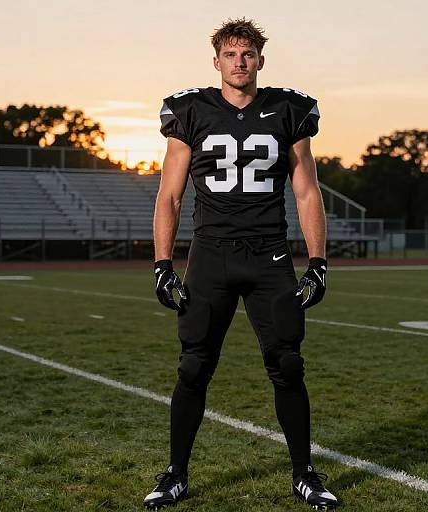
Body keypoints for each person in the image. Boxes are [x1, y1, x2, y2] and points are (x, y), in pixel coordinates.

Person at [145, 17, 338, 511]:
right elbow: (169, 194)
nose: (239, 62)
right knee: (193, 368)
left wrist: (317, 261)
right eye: (230, 55)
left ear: (260, 60)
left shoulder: (288, 109)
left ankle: (305, 473)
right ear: (216, 62)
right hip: (209, 257)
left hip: (269, 256)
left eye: (247, 54)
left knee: (288, 365)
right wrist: (162, 263)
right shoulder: (190, 111)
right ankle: (175, 474)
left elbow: (306, 189)